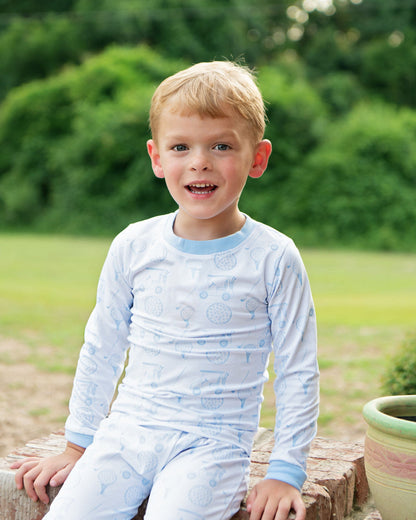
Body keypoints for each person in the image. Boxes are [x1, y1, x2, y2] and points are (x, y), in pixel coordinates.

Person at [11, 60, 319, 520]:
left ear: (258, 158)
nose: (200, 161)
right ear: (157, 158)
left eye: (221, 145)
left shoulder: (274, 257)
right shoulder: (134, 245)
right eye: (181, 146)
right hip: (126, 435)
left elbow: (297, 370)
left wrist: (285, 471)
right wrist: (78, 444)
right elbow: (102, 347)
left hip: (213, 445)